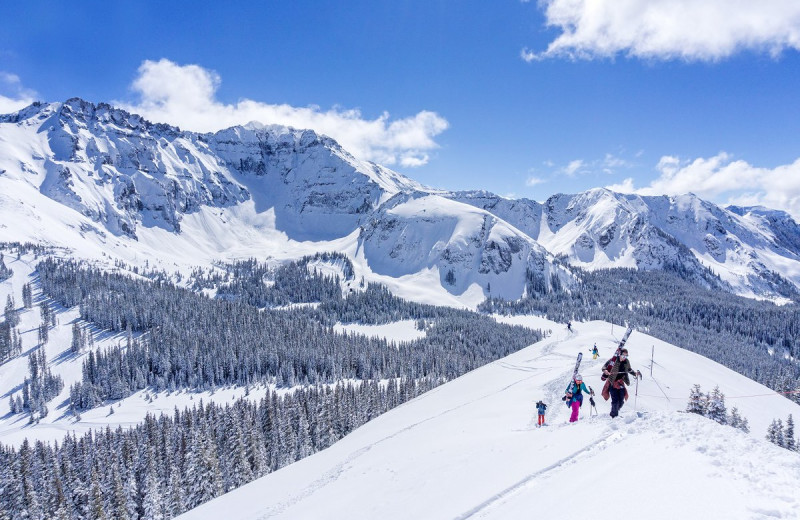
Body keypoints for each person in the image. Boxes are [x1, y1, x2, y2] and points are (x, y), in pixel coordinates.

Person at [601, 348, 642, 418]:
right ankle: (614, 416)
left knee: (621, 401)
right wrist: (606, 371)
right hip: (612, 382)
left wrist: (635, 373)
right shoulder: (613, 360)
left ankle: (614, 411)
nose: (624, 358)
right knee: (615, 401)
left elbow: (629, 369)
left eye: (626, 356)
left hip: (621, 383)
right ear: (620, 354)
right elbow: (604, 367)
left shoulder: (626, 362)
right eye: (623, 356)